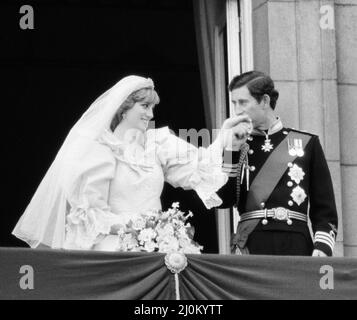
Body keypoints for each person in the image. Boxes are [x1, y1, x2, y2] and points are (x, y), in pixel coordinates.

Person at [12, 75, 247, 251]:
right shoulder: (98, 151)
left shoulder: (158, 144)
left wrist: (227, 141)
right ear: (123, 109)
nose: (151, 114)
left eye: (153, 107)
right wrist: (145, 227)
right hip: (114, 250)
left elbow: (204, 167)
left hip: (158, 248)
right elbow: (90, 217)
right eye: (144, 106)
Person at [217, 71, 338, 257]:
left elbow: (325, 208)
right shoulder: (234, 145)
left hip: (296, 245)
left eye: (243, 102)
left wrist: (322, 247)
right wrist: (231, 150)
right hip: (252, 244)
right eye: (234, 103)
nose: (237, 110)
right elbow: (223, 199)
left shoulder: (307, 142)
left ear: (264, 101)